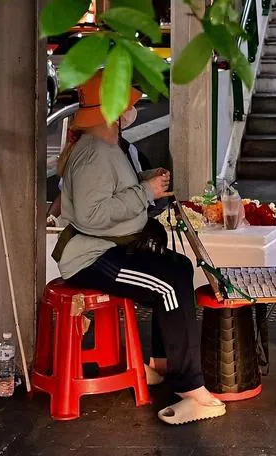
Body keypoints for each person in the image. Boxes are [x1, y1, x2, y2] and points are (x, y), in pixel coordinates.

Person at [54, 72, 225, 425]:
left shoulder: (107, 147)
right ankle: (191, 387)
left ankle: (162, 363)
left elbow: (112, 195)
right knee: (169, 285)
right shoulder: (94, 153)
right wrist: (145, 192)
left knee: (178, 268)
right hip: (92, 256)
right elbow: (91, 215)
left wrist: (145, 183)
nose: (130, 111)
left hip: (109, 248)